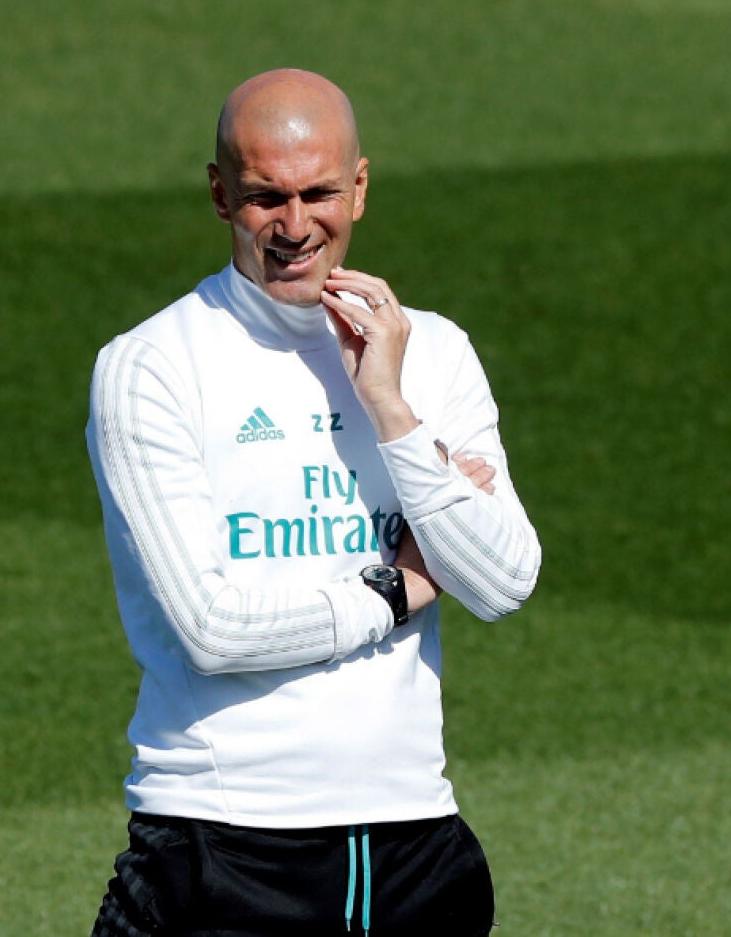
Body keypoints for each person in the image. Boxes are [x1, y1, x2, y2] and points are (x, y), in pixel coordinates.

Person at [85, 69, 541, 936]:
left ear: (359, 188)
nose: (296, 226)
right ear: (220, 194)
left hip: (414, 849)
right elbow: (214, 629)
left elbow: (504, 578)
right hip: (222, 847)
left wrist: (393, 411)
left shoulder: (434, 353)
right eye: (267, 197)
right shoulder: (152, 367)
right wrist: (400, 586)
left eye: (319, 194)